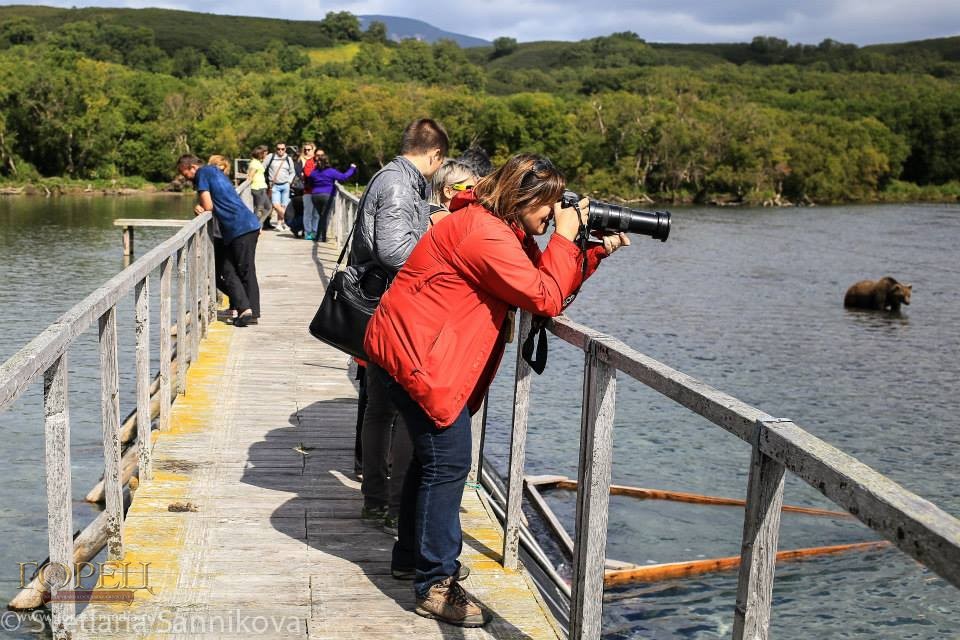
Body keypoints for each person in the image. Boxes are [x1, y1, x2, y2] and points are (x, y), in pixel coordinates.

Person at [363, 153, 629, 627]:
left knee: (431, 461)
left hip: (415, 350)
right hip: (422, 358)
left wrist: (589, 253)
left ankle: (412, 559)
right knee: (448, 463)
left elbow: (542, 289)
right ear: (522, 196)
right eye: (547, 206)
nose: (552, 216)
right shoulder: (484, 233)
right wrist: (566, 237)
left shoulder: (497, 227)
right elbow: (542, 294)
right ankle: (435, 583)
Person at [351, 118, 448, 538]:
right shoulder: (397, 183)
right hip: (393, 311)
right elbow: (393, 249)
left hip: (386, 310)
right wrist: (444, 264)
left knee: (380, 409)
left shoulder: (393, 178)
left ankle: (379, 500)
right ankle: (388, 504)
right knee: (396, 411)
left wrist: (431, 214)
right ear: (435, 155)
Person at [177, 154, 262, 327]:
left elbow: (208, 206)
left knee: (233, 270)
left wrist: (198, 208)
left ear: (191, 167)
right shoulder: (214, 171)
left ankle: (248, 309)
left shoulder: (202, 174)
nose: (184, 176)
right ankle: (247, 309)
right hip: (246, 225)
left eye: (183, 172)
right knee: (235, 269)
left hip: (239, 227)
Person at [304, 151, 356, 242]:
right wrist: (352, 168)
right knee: (324, 216)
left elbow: (310, 183)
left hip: (315, 196)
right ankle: (320, 237)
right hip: (327, 195)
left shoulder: (314, 172)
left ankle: (321, 236)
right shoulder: (331, 172)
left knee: (321, 216)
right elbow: (343, 177)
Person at [427, 159, 478, 226]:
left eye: (475, 189)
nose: (474, 194)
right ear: (448, 191)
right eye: (469, 189)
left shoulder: (424, 211)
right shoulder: (443, 219)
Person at [263, 142, 296, 231]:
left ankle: (279, 224)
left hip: (285, 184)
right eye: (278, 149)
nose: (280, 151)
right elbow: (263, 168)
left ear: (285, 149)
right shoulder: (271, 157)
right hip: (274, 185)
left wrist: (289, 181)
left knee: (284, 205)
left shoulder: (288, 159)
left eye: (282, 149)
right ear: (275, 149)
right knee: (276, 205)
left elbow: (292, 172)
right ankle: (290, 220)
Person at [247, 145, 271, 226]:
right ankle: (255, 225)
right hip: (258, 188)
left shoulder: (257, 162)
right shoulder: (254, 163)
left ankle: (257, 224)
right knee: (260, 208)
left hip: (261, 187)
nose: (266, 155)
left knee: (267, 207)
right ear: (261, 153)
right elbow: (250, 176)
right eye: (265, 153)